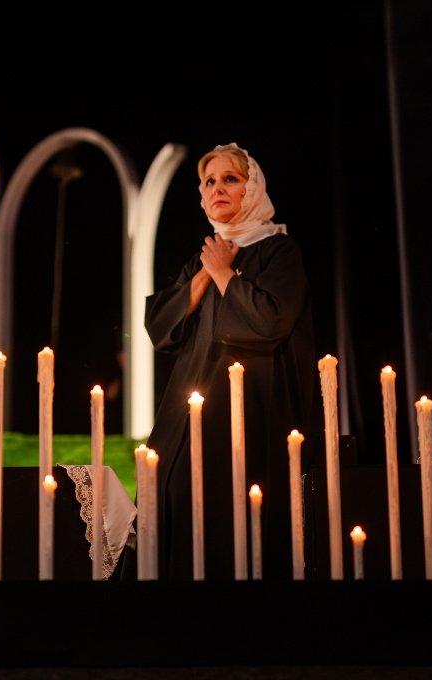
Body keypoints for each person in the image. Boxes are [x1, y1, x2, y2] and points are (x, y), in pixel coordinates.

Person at [141, 143, 316, 581]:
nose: (217, 188)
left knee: (234, 507)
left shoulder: (279, 251)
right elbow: (161, 327)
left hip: (250, 408)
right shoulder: (204, 259)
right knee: (175, 495)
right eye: (209, 181)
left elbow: (270, 321)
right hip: (191, 408)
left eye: (230, 179)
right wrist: (206, 274)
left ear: (251, 189)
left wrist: (223, 273)